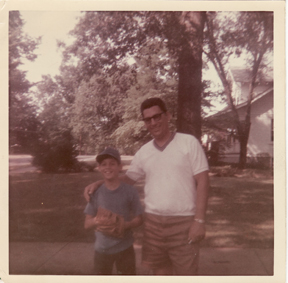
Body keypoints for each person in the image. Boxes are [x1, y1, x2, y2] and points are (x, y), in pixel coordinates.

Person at [84, 97, 209, 275]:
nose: (153, 122)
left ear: (168, 116)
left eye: (157, 117)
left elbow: (203, 181)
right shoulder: (144, 151)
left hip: (184, 222)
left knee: (187, 274)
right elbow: (127, 180)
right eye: (148, 119)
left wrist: (199, 221)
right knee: (159, 273)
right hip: (153, 224)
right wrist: (99, 183)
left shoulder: (188, 142)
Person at [84, 147, 143, 275]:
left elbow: (139, 218)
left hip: (125, 248)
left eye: (112, 163)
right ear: (99, 168)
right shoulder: (96, 193)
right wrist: (97, 220)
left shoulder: (130, 191)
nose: (108, 167)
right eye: (103, 164)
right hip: (102, 250)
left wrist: (126, 225)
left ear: (120, 167)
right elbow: (87, 224)